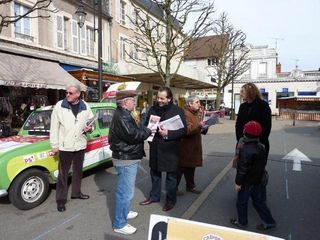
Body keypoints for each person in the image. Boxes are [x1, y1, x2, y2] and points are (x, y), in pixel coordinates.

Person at [109, 90, 155, 235]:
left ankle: (125, 211)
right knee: (125, 193)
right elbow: (133, 135)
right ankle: (119, 223)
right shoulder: (122, 116)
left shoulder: (124, 114)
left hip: (127, 156)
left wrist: (144, 127)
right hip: (126, 158)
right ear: (125, 102)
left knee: (125, 190)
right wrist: (149, 130)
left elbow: (134, 129)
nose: (134, 103)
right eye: (132, 100)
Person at [139, 86, 187, 211]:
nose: (159, 100)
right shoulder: (152, 109)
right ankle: (154, 196)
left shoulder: (178, 111)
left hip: (171, 149)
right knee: (155, 174)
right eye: (157, 97)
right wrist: (148, 129)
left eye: (162, 98)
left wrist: (168, 134)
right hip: (155, 147)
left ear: (169, 99)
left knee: (171, 177)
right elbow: (145, 126)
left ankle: (171, 201)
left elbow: (183, 131)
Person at [50, 83, 94, 212]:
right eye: (66, 93)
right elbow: (54, 127)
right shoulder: (59, 106)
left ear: (78, 94)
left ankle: (76, 193)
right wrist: (54, 145)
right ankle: (61, 200)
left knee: (78, 171)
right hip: (65, 146)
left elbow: (91, 122)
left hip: (80, 144)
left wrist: (89, 128)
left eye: (70, 93)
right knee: (63, 175)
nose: (67, 95)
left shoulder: (85, 106)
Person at [230, 121, 276, 230]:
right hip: (259, 180)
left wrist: (238, 183)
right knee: (259, 202)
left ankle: (242, 222)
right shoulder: (261, 146)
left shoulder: (245, 149)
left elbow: (242, 169)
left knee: (241, 203)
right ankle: (269, 221)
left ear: (245, 132)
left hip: (247, 182)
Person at [177, 95, 206, 195]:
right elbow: (187, 130)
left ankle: (190, 186)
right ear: (190, 103)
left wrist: (204, 126)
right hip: (186, 147)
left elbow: (198, 128)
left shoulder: (195, 113)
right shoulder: (185, 114)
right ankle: (174, 188)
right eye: (197, 102)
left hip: (193, 146)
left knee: (191, 167)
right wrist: (199, 125)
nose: (199, 104)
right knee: (181, 168)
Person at [235, 83, 272, 159]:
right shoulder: (242, 106)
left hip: (259, 144)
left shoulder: (263, 105)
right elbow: (238, 125)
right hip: (244, 144)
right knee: (242, 168)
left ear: (250, 91)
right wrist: (240, 139)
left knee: (257, 169)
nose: (240, 94)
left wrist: (260, 142)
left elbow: (267, 126)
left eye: (242, 91)